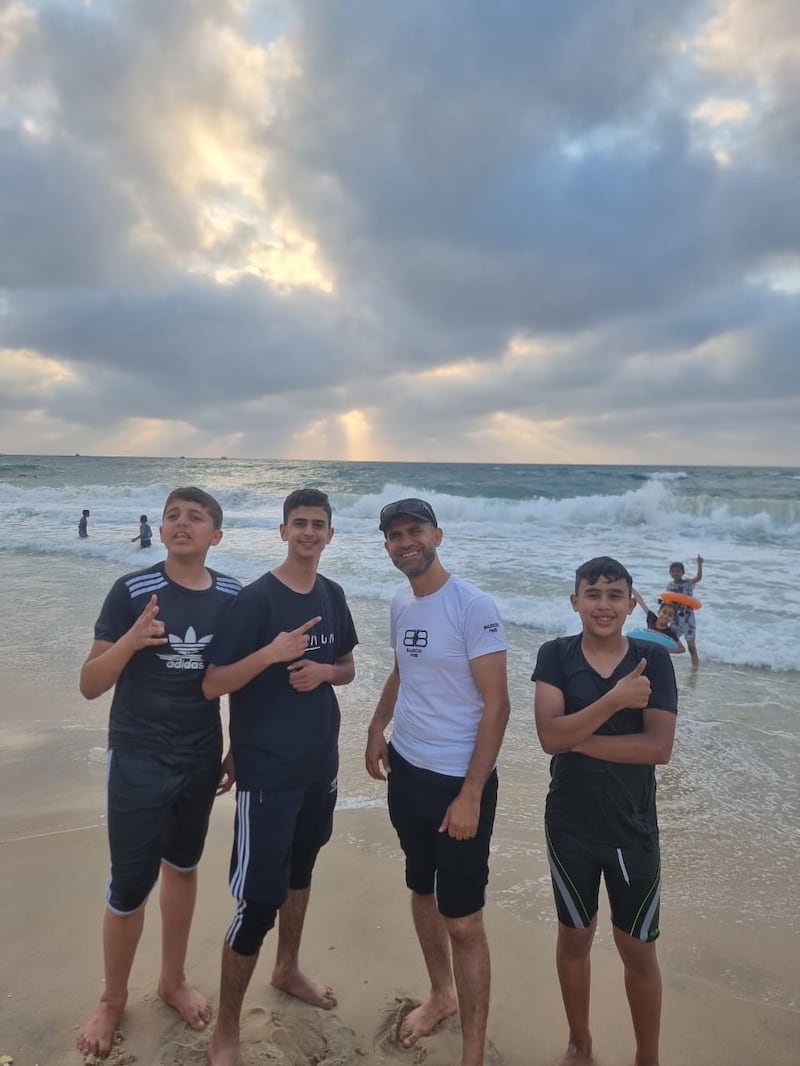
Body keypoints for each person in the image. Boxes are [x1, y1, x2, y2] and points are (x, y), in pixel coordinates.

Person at [76, 487, 242, 1059]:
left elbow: (239, 678)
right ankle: (111, 999)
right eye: (172, 515)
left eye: (195, 517)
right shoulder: (132, 591)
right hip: (139, 757)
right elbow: (91, 683)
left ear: (216, 536)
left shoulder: (232, 596)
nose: (180, 524)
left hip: (200, 756)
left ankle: (172, 980)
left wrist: (237, 747)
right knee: (128, 886)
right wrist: (131, 639)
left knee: (184, 866)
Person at [203, 488, 357, 1066]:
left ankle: (287, 967)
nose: (309, 533)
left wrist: (323, 670)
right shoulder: (255, 601)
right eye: (300, 524)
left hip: (320, 765)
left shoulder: (334, 595)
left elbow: (347, 666)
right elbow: (215, 682)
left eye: (319, 524)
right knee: (258, 901)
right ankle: (225, 1031)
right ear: (283, 531)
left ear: (330, 535)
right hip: (268, 772)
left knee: (301, 873)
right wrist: (270, 655)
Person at [366, 498, 511, 1066]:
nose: (407, 542)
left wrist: (472, 792)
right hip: (407, 772)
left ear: (437, 535)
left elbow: (497, 706)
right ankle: (440, 994)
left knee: (465, 920)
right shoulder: (401, 602)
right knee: (421, 891)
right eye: (396, 535)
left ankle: (471, 1053)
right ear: (387, 546)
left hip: (458, 782)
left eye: (415, 531)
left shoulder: (472, 606)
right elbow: (404, 670)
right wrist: (379, 724)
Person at [532, 556, 678, 1066]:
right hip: (569, 825)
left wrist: (579, 738)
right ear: (575, 602)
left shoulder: (653, 660)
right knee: (575, 936)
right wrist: (615, 701)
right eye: (593, 594)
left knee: (637, 947)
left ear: (631, 603)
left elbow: (657, 747)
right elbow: (550, 737)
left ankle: (647, 1058)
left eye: (615, 594)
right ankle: (580, 1041)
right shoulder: (555, 655)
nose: (604, 604)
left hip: (632, 827)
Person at [667, 555, 704, 665]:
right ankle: (664, 664)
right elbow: (668, 602)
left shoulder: (688, 583)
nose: (675, 573)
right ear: (670, 573)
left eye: (678, 571)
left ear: (683, 572)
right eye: (673, 571)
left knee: (691, 647)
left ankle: (695, 669)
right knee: (669, 643)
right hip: (675, 619)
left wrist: (700, 565)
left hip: (688, 619)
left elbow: (698, 578)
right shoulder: (670, 586)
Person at [631, 588, 685, 654]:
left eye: (670, 615)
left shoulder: (670, 632)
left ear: (673, 619)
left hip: (658, 655)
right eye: (664, 612)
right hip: (646, 650)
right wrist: (630, 587)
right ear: (659, 612)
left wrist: (667, 650)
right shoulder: (652, 618)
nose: (666, 616)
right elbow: (641, 601)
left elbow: (682, 649)